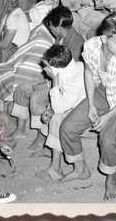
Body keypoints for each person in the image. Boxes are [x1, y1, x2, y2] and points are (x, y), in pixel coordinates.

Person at [58, 11, 116, 202]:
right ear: (104, 38)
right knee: (67, 128)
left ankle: (111, 181)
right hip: (100, 92)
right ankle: (80, 169)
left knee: (108, 140)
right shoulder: (91, 46)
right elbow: (88, 73)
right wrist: (91, 106)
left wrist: (107, 116)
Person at [7, 6, 85, 144]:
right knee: (22, 88)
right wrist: (45, 82)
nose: (50, 29)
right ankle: (21, 130)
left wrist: (49, 85)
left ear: (58, 26)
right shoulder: (60, 38)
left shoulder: (77, 45)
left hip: (64, 87)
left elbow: (72, 79)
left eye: (51, 27)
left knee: (37, 97)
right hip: (53, 82)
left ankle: (41, 137)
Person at [33, 45, 85, 181]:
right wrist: (49, 108)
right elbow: (60, 100)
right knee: (51, 112)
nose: (44, 68)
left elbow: (59, 108)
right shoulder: (73, 67)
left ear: (54, 69)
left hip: (82, 111)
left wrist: (54, 80)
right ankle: (48, 147)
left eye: (47, 66)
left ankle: (56, 166)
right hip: (71, 105)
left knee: (56, 118)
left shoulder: (73, 82)